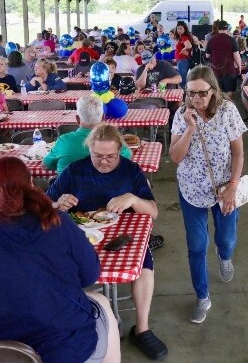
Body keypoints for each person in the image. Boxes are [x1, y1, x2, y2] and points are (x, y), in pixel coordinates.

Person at [0, 156, 120, 363]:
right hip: (60, 351)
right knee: (102, 304)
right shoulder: (58, 223)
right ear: (31, 183)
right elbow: (90, 276)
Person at [47, 125, 167, 361]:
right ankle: (73, 323)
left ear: (120, 151)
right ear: (89, 150)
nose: (104, 162)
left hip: (125, 236)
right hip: (82, 236)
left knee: (143, 268)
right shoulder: (75, 170)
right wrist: (56, 203)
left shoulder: (130, 170)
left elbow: (153, 211)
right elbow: (44, 204)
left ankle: (142, 328)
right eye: (98, 156)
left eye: (110, 157)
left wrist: (133, 198)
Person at [169, 66, 246, 324]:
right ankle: (202, 296)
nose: (196, 99)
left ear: (213, 90)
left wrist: (233, 186)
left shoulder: (227, 111)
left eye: (202, 93)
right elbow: (176, 157)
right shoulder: (182, 115)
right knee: (197, 246)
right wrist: (190, 128)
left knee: (226, 238)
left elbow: (238, 152)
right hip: (191, 189)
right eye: (191, 93)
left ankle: (224, 255)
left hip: (224, 188)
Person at [43, 96, 132, 174]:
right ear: (103, 117)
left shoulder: (63, 141)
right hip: (105, 192)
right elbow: (128, 158)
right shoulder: (114, 141)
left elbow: (45, 166)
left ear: (77, 119)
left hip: (67, 192)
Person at [205, 20, 241, 98]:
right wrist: (239, 67)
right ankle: (227, 107)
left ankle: (218, 107)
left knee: (217, 90)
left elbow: (207, 55)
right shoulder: (232, 40)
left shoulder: (212, 40)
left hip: (215, 70)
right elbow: (237, 56)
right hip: (229, 69)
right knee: (230, 91)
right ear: (227, 28)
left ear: (218, 28)